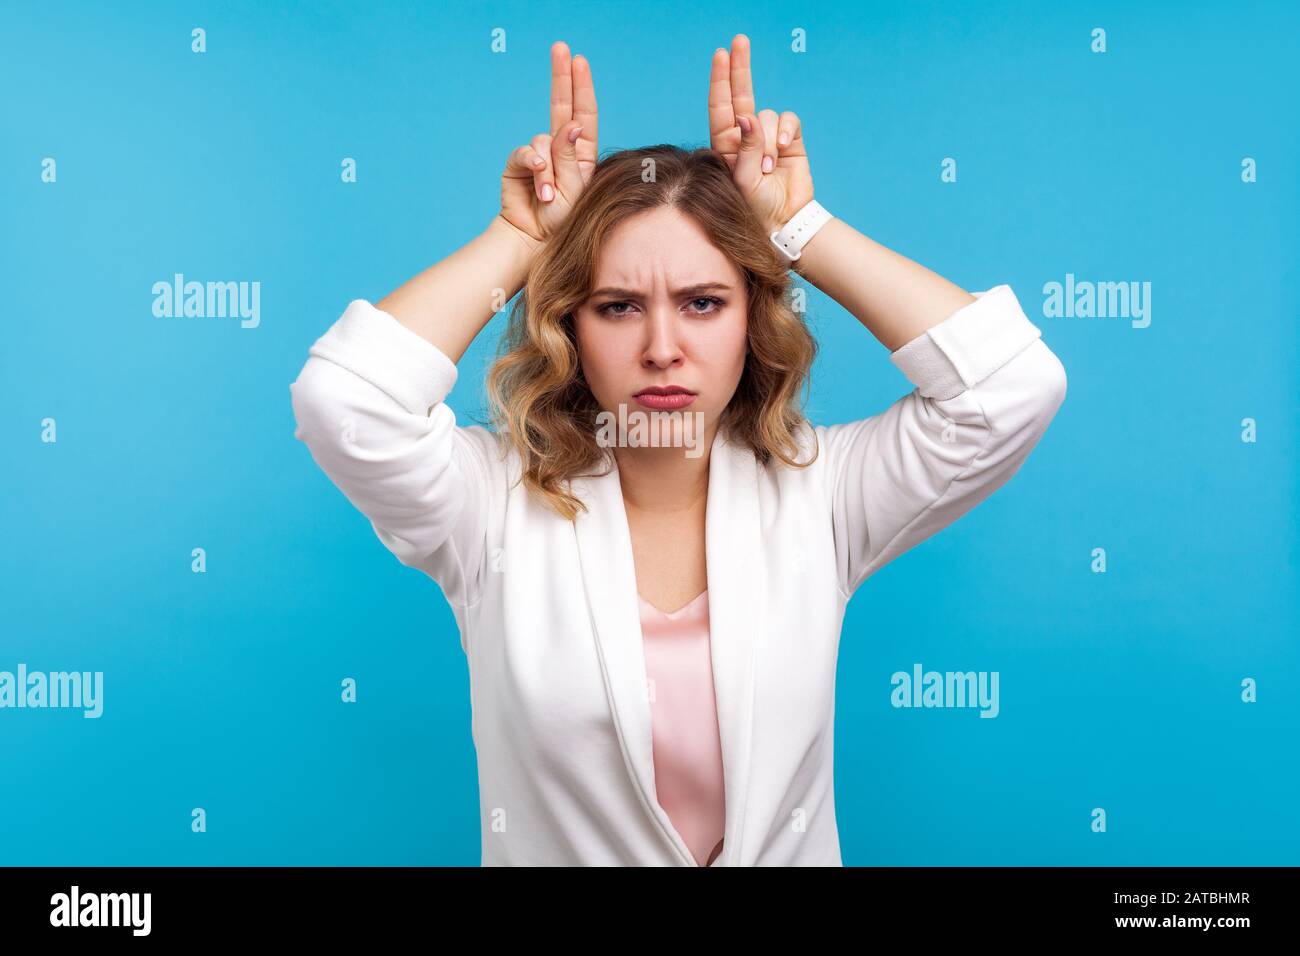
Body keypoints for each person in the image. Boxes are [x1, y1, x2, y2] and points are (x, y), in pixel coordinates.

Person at [289, 35, 1067, 866]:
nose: (663, 347)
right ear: (568, 327)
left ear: (754, 319)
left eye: (702, 302)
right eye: (618, 307)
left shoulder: (822, 493)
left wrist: (799, 227)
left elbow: (1010, 387)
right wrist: (520, 239)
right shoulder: (488, 508)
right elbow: (346, 400)